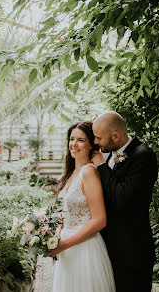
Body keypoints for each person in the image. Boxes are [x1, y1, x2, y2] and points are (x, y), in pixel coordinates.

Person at [91, 111, 158, 292]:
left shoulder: (143, 155)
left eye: (98, 138)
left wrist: (102, 167)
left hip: (132, 254)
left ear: (115, 136)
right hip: (110, 251)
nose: (95, 143)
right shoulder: (110, 153)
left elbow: (122, 199)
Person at [50, 121, 115, 292]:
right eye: (71, 139)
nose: (74, 144)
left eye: (80, 140)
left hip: (84, 249)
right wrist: (57, 232)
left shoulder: (89, 172)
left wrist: (65, 244)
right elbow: (68, 212)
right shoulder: (71, 174)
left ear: (90, 144)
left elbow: (100, 220)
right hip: (66, 249)